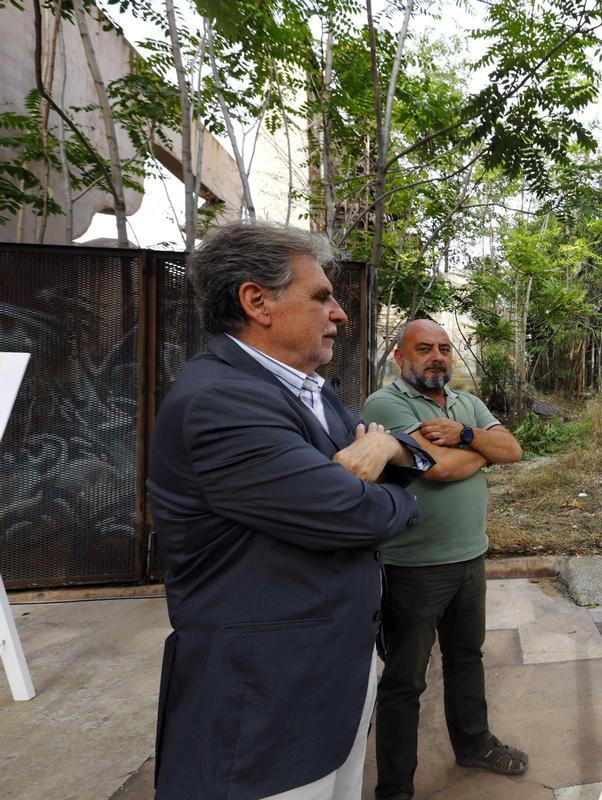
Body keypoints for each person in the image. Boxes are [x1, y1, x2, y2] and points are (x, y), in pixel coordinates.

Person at [148, 222, 431, 800]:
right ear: (258, 302)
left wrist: (388, 446)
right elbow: (358, 515)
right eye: (322, 297)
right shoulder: (220, 402)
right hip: (265, 709)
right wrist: (396, 495)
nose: (341, 315)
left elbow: (403, 452)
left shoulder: (310, 388)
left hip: (334, 678)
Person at [361, 319, 525, 800]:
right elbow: (441, 469)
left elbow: (512, 449)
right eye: (425, 348)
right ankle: (395, 788)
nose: (437, 356)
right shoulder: (385, 403)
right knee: (404, 681)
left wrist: (466, 435)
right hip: (412, 568)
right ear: (401, 357)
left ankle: (473, 744)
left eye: (444, 349)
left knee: (466, 660)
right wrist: (479, 449)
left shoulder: (464, 404)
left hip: (470, 559)